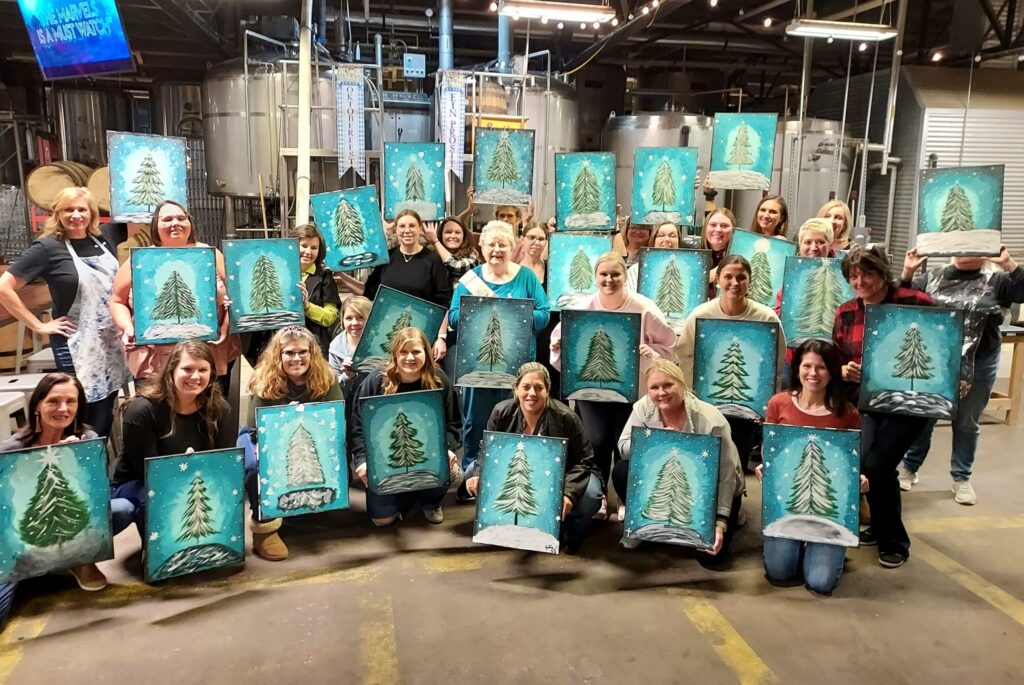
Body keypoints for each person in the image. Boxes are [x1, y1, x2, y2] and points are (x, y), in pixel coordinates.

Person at [551, 251, 676, 518]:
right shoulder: (582, 308)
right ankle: (599, 496)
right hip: (590, 391)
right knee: (596, 440)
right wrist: (559, 347)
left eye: (615, 274)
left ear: (625, 276)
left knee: (624, 442)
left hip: (631, 390)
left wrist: (653, 354)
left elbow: (670, 346)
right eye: (604, 274)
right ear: (595, 277)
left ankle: (623, 495)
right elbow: (560, 343)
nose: (609, 280)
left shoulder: (644, 308)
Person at [897, 246, 1024, 505]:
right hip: (935, 361)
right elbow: (901, 302)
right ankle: (910, 467)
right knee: (924, 416)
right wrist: (907, 273)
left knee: (966, 422)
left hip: (979, 362)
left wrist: (1009, 264)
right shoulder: (932, 278)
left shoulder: (997, 280)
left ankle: (961, 477)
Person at [832, 245, 933, 568]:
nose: (860, 282)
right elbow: (837, 356)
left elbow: (945, 338)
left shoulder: (914, 302)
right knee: (869, 464)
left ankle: (894, 542)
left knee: (878, 464)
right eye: (854, 276)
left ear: (882, 273)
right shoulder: (846, 313)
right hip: (869, 401)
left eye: (867, 274)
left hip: (911, 403)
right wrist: (843, 369)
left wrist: (957, 376)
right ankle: (878, 526)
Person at [0, 187, 129, 437]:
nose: (76, 215)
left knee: (106, 409)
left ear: (92, 214)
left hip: (110, 342)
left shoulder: (105, 236)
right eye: (68, 210)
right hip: (76, 344)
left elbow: (142, 217)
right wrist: (38, 325)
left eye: (82, 209)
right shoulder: (47, 248)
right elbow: (4, 287)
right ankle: (82, 456)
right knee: (83, 413)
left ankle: (100, 456)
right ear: (57, 213)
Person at [0, 373, 117, 630]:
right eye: (53, 401)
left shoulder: (87, 440)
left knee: (123, 509)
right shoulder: (11, 449)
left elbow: (97, 495)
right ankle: (28, 571)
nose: (63, 409)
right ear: (37, 406)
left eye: (71, 401)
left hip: (73, 526)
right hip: (19, 539)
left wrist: (76, 459)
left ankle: (79, 560)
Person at [756, 340, 864, 596]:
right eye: (807, 366)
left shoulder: (847, 413)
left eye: (821, 367)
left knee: (820, 582)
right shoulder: (779, 403)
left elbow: (851, 460)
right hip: (786, 505)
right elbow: (769, 448)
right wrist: (766, 466)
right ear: (797, 369)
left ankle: (826, 550)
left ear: (832, 372)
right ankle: (801, 547)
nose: (813, 373)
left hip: (829, 513)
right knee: (779, 571)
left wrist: (858, 479)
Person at [449, 220, 550, 480]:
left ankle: (510, 474)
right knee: (476, 420)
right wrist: (480, 312)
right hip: (477, 364)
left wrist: (515, 313)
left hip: (517, 365)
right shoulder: (470, 279)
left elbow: (544, 314)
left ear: (512, 247)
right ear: (482, 247)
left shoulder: (526, 277)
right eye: (491, 244)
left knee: (517, 416)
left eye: (503, 244)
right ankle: (474, 473)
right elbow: (453, 317)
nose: (496, 249)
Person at [614, 360, 745, 561]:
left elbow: (727, 475)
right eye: (654, 387)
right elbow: (623, 447)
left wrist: (720, 522)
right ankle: (639, 523)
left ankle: (734, 514)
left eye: (668, 385)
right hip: (661, 482)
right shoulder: (643, 408)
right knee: (622, 470)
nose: (661, 393)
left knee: (711, 558)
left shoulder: (711, 420)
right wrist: (654, 441)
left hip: (710, 488)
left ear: (682, 385)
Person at [465, 363, 603, 553]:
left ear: (548, 391)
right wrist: (478, 474)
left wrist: (568, 493)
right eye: (526, 387)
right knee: (471, 471)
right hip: (520, 475)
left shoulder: (565, 417)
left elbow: (584, 460)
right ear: (516, 389)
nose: (532, 393)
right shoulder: (501, 412)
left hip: (563, 476)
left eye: (539, 388)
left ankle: (570, 531)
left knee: (591, 494)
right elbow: (487, 448)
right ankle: (510, 522)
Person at [110, 341, 231, 542]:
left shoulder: (219, 408)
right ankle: (160, 552)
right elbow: (146, 470)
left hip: (193, 478)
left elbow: (222, 460)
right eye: (187, 369)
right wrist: (184, 474)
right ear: (171, 370)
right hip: (140, 482)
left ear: (211, 374)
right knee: (159, 498)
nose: (195, 376)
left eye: (203, 370)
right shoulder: (142, 410)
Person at [240, 327, 343, 560]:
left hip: (309, 439)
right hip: (262, 438)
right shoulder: (264, 379)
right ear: (279, 355)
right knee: (255, 467)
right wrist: (286, 420)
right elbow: (256, 430)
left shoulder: (326, 377)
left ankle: (307, 501)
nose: (296, 358)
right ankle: (264, 528)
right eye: (289, 352)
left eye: (302, 352)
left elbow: (336, 419)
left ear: (311, 353)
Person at [108, 200, 238, 383]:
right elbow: (117, 301)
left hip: (209, 352)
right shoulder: (140, 259)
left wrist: (225, 327)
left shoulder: (211, 254)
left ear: (190, 223)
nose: (175, 223)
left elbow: (237, 295)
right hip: (154, 359)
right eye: (167, 219)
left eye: (181, 218)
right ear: (156, 226)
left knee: (209, 400)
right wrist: (127, 328)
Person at [676, 254, 786, 471]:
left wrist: (764, 401)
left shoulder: (766, 318)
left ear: (749, 281)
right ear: (718, 279)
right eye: (728, 277)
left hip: (747, 409)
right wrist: (693, 396)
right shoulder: (701, 315)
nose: (735, 283)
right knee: (706, 462)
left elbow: (776, 361)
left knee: (737, 462)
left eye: (741, 277)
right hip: (705, 404)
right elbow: (685, 355)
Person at [348, 327, 462, 526]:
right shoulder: (376, 381)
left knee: (453, 471)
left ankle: (430, 502)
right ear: (395, 354)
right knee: (382, 520)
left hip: (429, 458)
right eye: (403, 352)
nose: (410, 358)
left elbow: (454, 423)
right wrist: (361, 460)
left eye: (416, 351)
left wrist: (448, 448)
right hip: (384, 462)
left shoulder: (439, 380)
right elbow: (357, 425)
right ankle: (405, 497)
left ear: (426, 353)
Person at [363, 209, 452, 360]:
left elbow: (443, 302)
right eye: (402, 226)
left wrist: (441, 337)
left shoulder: (433, 260)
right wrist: (342, 276)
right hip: (388, 333)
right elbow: (368, 291)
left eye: (412, 225)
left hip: (422, 335)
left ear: (420, 229)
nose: (407, 230)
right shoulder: (387, 257)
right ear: (396, 230)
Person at [772, 218, 835, 316]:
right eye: (808, 242)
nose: (813, 248)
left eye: (820, 242)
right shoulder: (790, 276)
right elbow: (779, 315)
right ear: (800, 245)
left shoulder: (841, 274)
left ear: (830, 245)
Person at [328, 295, 372, 397]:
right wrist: (348, 376)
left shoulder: (384, 340)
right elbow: (334, 389)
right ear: (342, 320)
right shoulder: (336, 347)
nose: (354, 323)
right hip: (353, 399)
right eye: (349, 318)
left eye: (361, 317)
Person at [424, 217, 481, 288]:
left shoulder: (472, 255)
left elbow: (455, 266)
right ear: (441, 235)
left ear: (464, 236)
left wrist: (435, 241)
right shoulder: (431, 253)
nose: (453, 236)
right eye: (448, 232)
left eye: (457, 232)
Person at [700, 209, 737, 299]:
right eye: (713, 225)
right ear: (705, 228)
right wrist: (707, 277)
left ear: (733, 230)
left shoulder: (739, 257)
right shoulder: (693, 252)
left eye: (724, 226)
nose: (718, 229)